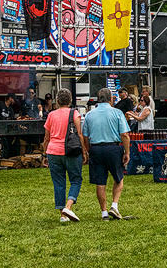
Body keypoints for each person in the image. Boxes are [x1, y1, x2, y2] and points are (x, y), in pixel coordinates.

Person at [81, 88, 130, 221]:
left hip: (96, 149)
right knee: (119, 179)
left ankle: (104, 213)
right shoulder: (117, 113)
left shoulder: (90, 114)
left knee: (100, 182)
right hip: (113, 148)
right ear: (111, 99)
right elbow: (124, 134)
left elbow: (85, 136)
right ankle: (114, 205)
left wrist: (88, 149)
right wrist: (127, 152)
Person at [41, 89, 86, 222]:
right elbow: (79, 134)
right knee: (76, 180)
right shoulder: (75, 114)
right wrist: (84, 151)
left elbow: (46, 137)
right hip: (71, 151)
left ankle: (62, 214)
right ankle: (68, 206)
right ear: (70, 100)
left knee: (58, 182)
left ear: (57, 100)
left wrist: (44, 154)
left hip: (53, 152)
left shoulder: (51, 115)